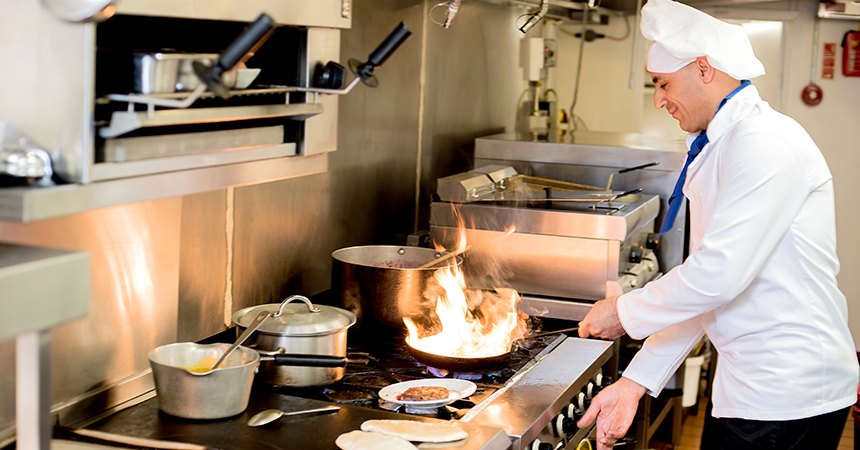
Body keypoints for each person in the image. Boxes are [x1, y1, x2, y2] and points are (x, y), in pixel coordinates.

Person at [575, 0, 860, 448]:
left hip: (788, 392)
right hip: (749, 388)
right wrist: (635, 381)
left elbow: (717, 279)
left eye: (664, 84)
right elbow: (705, 290)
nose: (659, 100)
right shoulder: (720, 145)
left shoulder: (763, 143)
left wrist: (623, 312)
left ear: (704, 69)